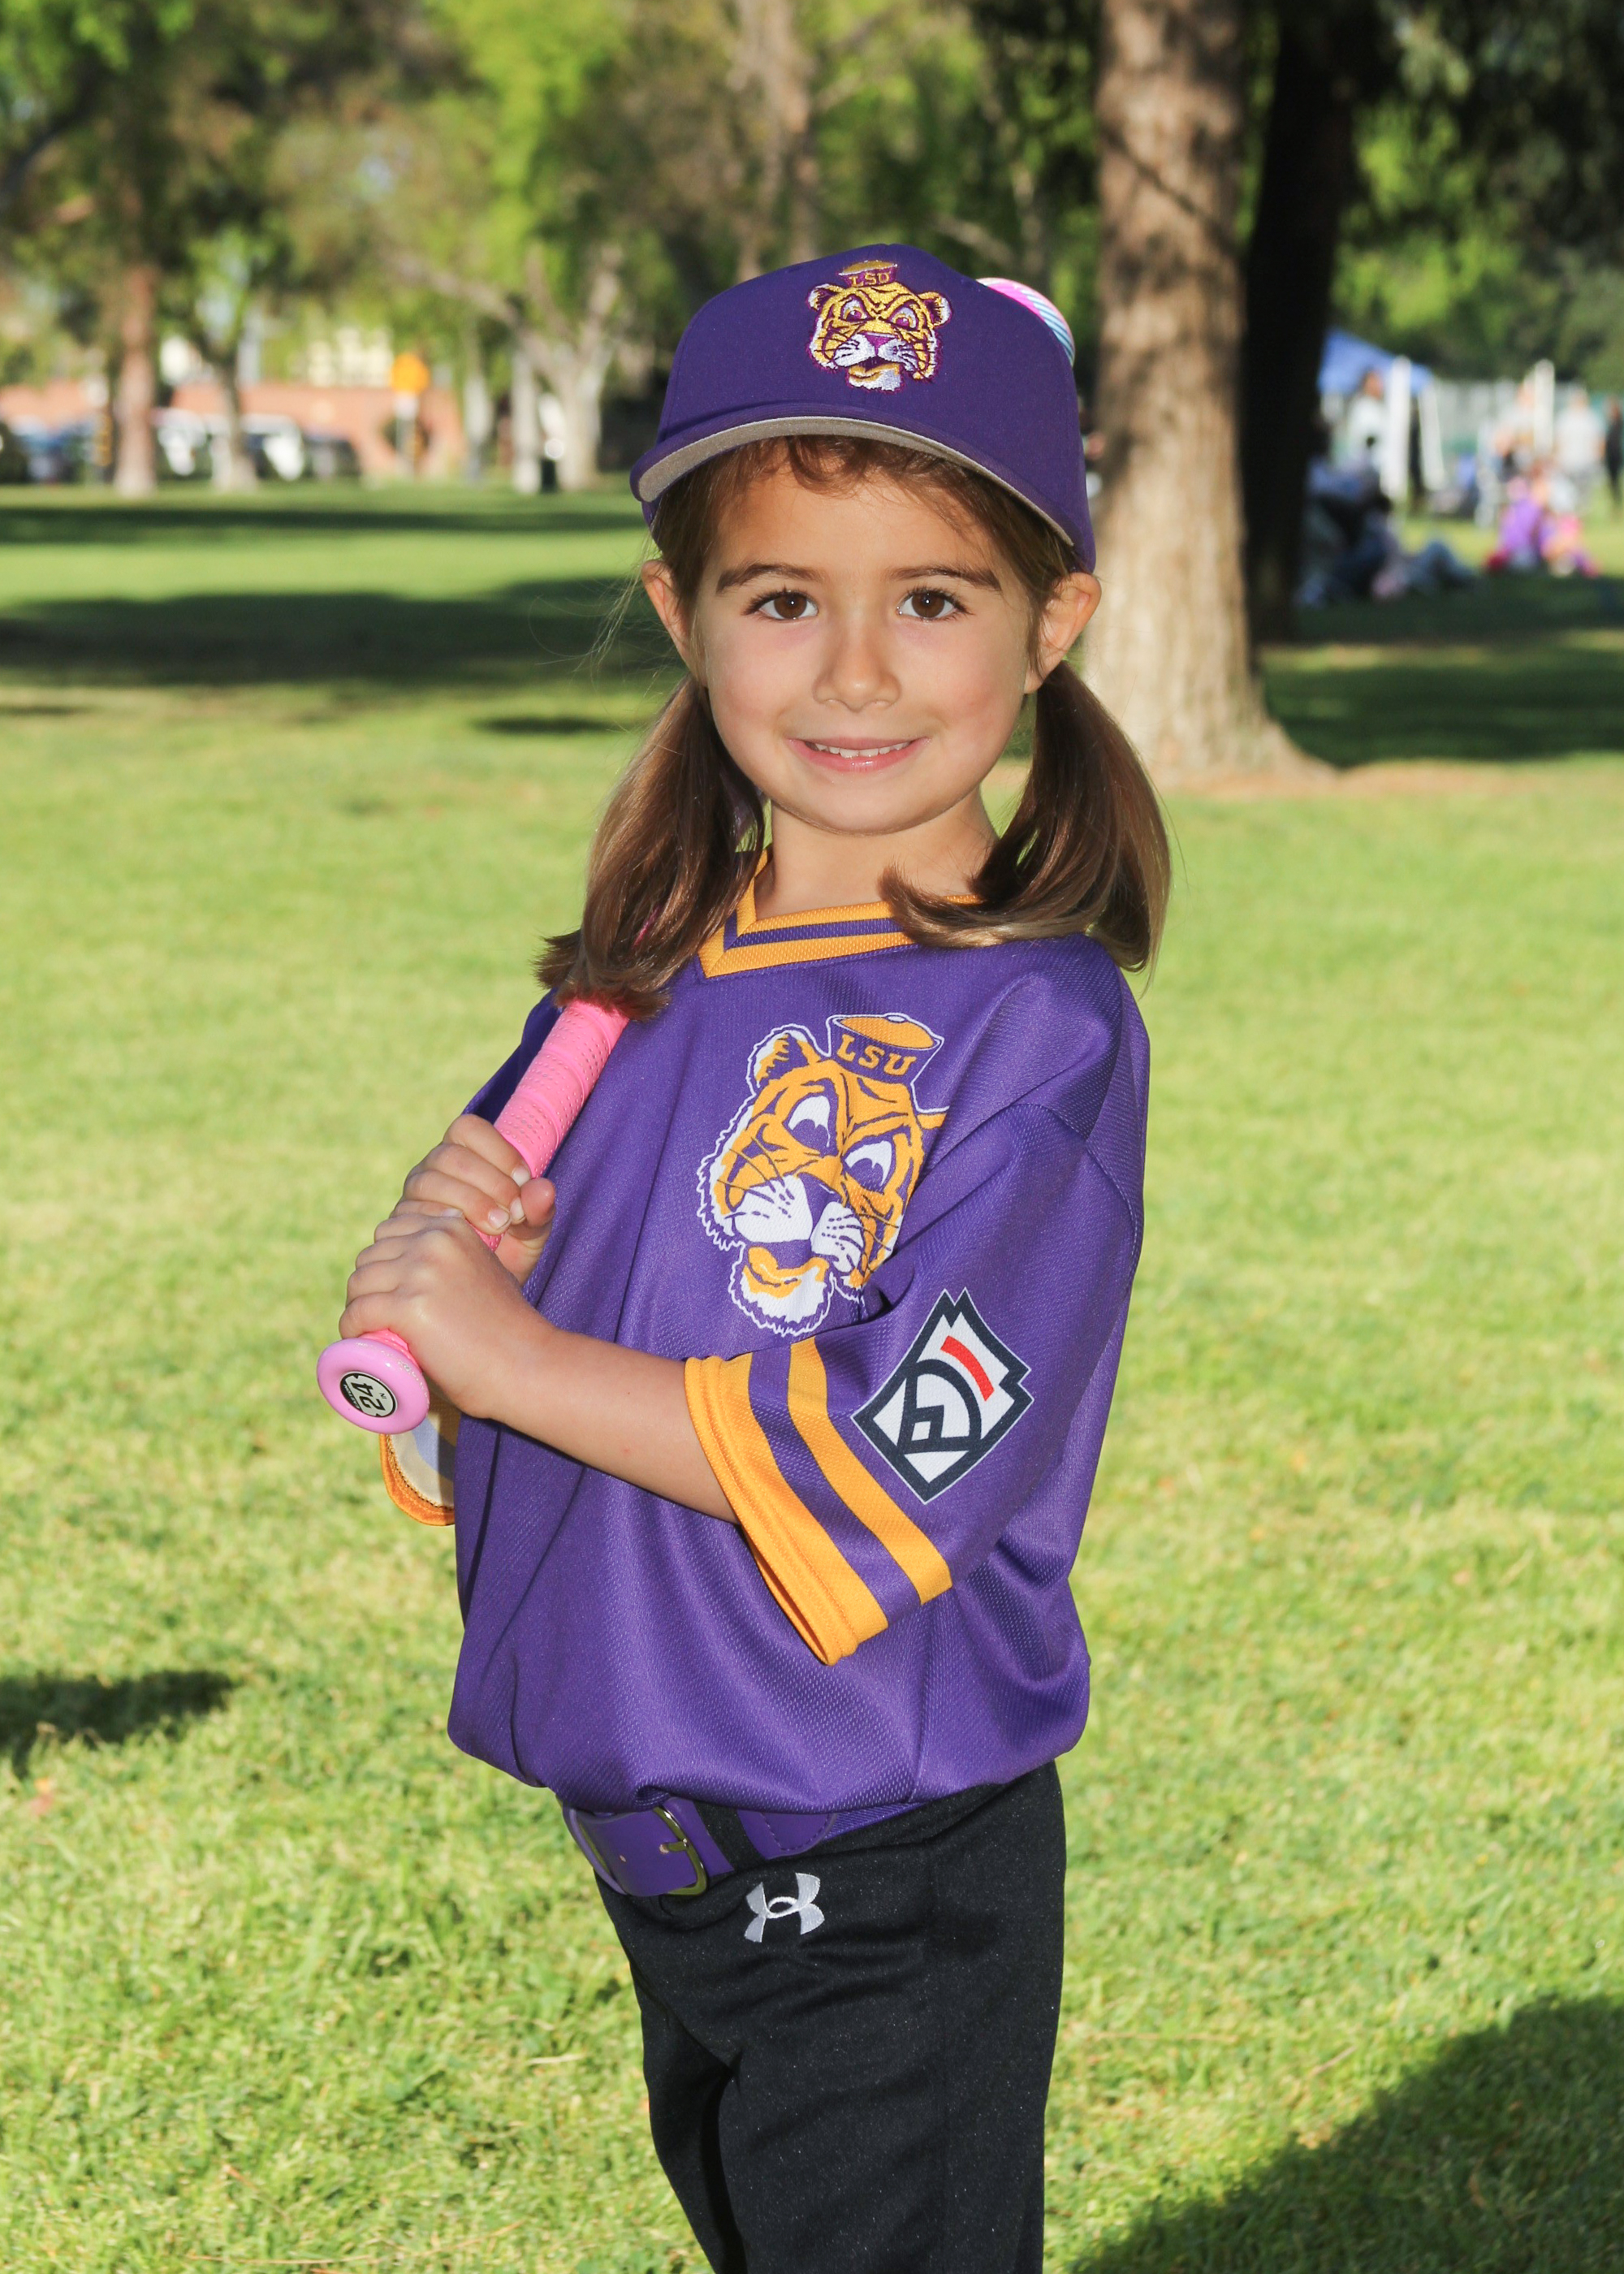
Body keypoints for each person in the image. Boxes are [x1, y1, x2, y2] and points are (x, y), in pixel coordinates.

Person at [337, 244, 1168, 2273]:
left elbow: (899, 1458)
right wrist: (466, 1298)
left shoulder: (1036, 1029)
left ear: (1050, 624)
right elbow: (495, 1398)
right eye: (784, 598)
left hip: (878, 1873)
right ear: (682, 616)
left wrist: (514, 1354)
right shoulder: (637, 975)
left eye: (933, 599)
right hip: (670, 1870)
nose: (855, 672)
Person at [1605, 399, 1622, 514]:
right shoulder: (1612, 424)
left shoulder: (1618, 423)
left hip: (1615, 457)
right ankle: (1615, 504)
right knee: (1613, 483)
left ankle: (1617, 505)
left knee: (1615, 483)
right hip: (1611, 457)